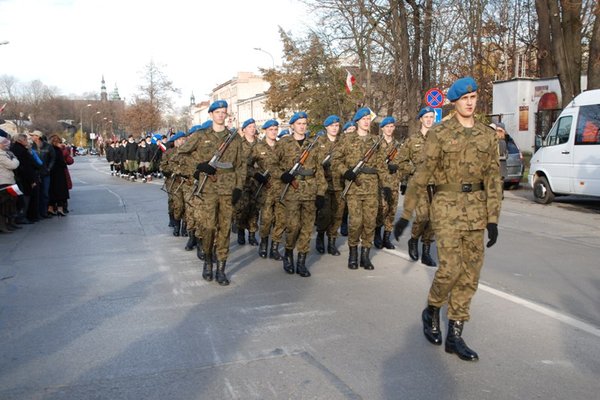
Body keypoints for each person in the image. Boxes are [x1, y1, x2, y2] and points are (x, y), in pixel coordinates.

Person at [394, 77, 502, 361]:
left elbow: (493, 178)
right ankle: (431, 309)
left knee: (470, 275)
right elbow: (423, 174)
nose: (470, 102)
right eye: (465, 98)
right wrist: (407, 214)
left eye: (474, 97)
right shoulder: (439, 134)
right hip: (446, 208)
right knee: (450, 269)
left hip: (476, 210)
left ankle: (455, 335)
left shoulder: (487, 135)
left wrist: (493, 218)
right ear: (455, 102)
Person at [178, 100, 245, 286]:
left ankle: (221, 269)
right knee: (208, 228)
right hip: (208, 190)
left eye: (224, 112)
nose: (221, 115)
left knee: (224, 230)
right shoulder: (200, 136)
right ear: (211, 115)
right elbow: (180, 153)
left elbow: (241, 165)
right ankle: (208, 260)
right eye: (218, 112)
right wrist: (198, 166)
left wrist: (239, 187)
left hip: (228, 190)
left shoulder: (235, 138)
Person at [333, 107, 389, 270]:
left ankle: (365, 255)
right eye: (363, 119)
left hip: (372, 187)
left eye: (368, 119)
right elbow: (336, 161)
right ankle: (353, 254)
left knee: (370, 222)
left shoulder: (375, 140)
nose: (366, 122)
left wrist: (385, 185)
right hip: (354, 187)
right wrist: (346, 172)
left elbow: (381, 165)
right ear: (357, 121)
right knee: (356, 222)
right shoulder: (347, 139)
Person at [278, 112, 326, 277]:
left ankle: (301, 262)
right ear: (292, 125)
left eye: (304, 123)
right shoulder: (284, 143)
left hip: (310, 191)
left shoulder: (313, 144)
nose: (302, 126)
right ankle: (289, 253)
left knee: (306, 229)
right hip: (291, 191)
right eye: (299, 123)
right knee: (293, 227)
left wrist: (321, 193)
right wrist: (282, 175)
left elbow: (319, 169)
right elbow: (272, 163)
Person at [397, 106, 438, 267]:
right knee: (422, 217)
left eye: (431, 117)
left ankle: (426, 250)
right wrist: (414, 170)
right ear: (420, 119)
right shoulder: (412, 140)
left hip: (437, 184)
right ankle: (414, 240)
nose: (429, 119)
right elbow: (401, 161)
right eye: (426, 117)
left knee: (434, 219)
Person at [250, 119, 286, 260]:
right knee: (266, 219)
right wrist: (257, 175)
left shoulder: (281, 146)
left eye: (275, 129)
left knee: (281, 219)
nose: (273, 132)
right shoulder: (258, 147)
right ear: (265, 131)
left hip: (282, 188)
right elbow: (247, 166)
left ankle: (275, 247)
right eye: (270, 129)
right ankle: (264, 243)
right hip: (266, 189)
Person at [315, 115, 344, 256]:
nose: (334, 128)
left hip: (340, 184)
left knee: (337, 215)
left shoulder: (343, 142)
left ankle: (332, 242)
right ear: (326, 127)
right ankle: (320, 236)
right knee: (325, 214)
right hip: (324, 184)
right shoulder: (318, 142)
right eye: (332, 126)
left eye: (337, 125)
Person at [374, 116, 401, 250]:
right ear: (382, 128)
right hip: (382, 183)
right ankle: (377, 234)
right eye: (387, 127)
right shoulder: (377, 143)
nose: (389, 129)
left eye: (392, 126)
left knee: (392, 210)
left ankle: (386, 237)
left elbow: (402, 162)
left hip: (395, 182)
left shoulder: (397, 145)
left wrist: (398, 169)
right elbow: (375, 163)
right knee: (382, 209)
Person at [235, 118, 260, 246]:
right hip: (242, 181)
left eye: (254, 126)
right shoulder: (238, 144)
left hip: (256, 182)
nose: (252, 129)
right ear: (244, 129)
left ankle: (252, 234)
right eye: (250, 126)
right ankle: (240, 232)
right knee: (241, 208)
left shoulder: (259, 144)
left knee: (254, 209)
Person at [10, 133, 38, 224]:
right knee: (25, 197)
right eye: (25, 140)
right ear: (20, 141)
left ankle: (22, 216)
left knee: (23, 197)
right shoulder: (21, 151)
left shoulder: (16, 149)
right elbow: (26, 167)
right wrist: (32, 180)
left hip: (20, 177)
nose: (27, 141)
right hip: (23, 178)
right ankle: (22, 217)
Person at [30, 130, 55, 218]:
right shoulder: (31, 147)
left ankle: (44, 212)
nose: (32, 137)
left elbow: (53, 159)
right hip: (35, 173)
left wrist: (48, 169)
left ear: (38, 136)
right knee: (36, 194)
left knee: (45, 193)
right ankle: (37, 213)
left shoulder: (48, 146)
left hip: (45, 173)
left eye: (33, 135)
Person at [0, 136, 20, 233]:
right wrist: (15, 159)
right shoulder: (1, 155)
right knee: (4, 204)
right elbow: (13, 165)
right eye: (4, 143)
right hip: (3, 182)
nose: (6, 144)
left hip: (10, 181)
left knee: (11, 203)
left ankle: (10, 223)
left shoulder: (6, 153)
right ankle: (3, 226)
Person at [47, 135, 70, 216]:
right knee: (60, 190)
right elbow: (63, 162)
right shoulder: (58, 150)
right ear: (56, 142)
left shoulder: (48, 149)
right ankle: (60, 209)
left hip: (50, 172)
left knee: (51, 190)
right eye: (60, 142)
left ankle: (50, 208)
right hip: (59, 172)